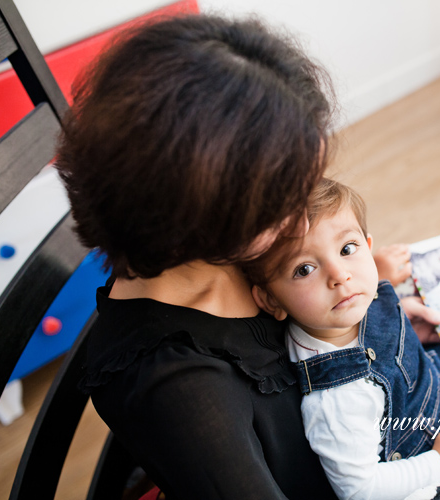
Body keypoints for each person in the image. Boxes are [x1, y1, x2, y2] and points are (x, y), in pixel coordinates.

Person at [57, 14, 339, 499]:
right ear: (190, 220)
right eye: (279, 207)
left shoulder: (220, 253)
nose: (302, 223)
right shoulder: (181, 390)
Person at [243, 179, 440, 500]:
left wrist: (404, 323)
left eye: (347, 249)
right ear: (271, 301)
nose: (340, 275)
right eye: (304, 269)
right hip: (434, 460)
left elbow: (379, 332)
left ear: (367, 247)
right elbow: (359, 489)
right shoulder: (338, 398)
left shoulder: (345, 307)